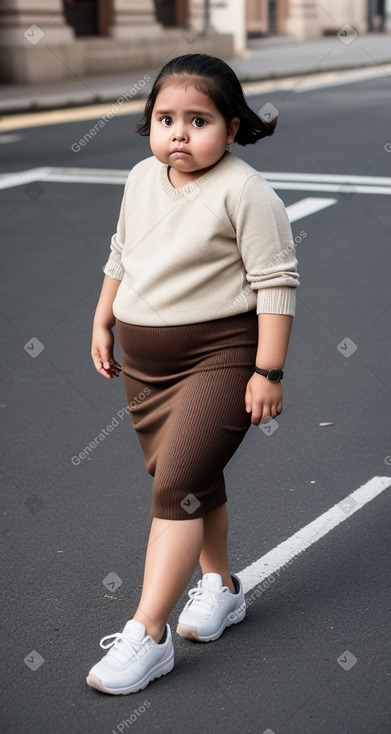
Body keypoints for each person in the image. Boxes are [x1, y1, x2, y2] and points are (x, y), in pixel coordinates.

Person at [87, 53, 299, 695]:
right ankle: (221, 586)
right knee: (189, 480)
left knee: (176, 484)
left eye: (197, 120)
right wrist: (102, 319)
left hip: (222, 356)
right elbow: (122, 254)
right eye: (164, 119)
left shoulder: (246, 191)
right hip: (147, 367)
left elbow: (276, 285)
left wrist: (268, 370)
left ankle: (147, 634)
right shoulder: (140, 179)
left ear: (232, 128)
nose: (178, 133)